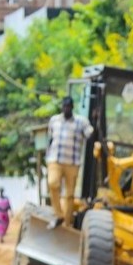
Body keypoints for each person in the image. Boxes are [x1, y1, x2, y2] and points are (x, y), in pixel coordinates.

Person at [45, 96, 92, 225]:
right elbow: (50, 139)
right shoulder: (54, 120)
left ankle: (66, 223)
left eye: (68, 107)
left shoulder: (81, 122)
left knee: (69, 195)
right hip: (55, 160)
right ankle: (58, 214)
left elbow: (90, 134)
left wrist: (96, 119)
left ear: (72, 107)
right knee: (53, 183)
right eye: (64, 107)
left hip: (72, 162)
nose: (66, 109)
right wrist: (47, 155)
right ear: (61, 107)